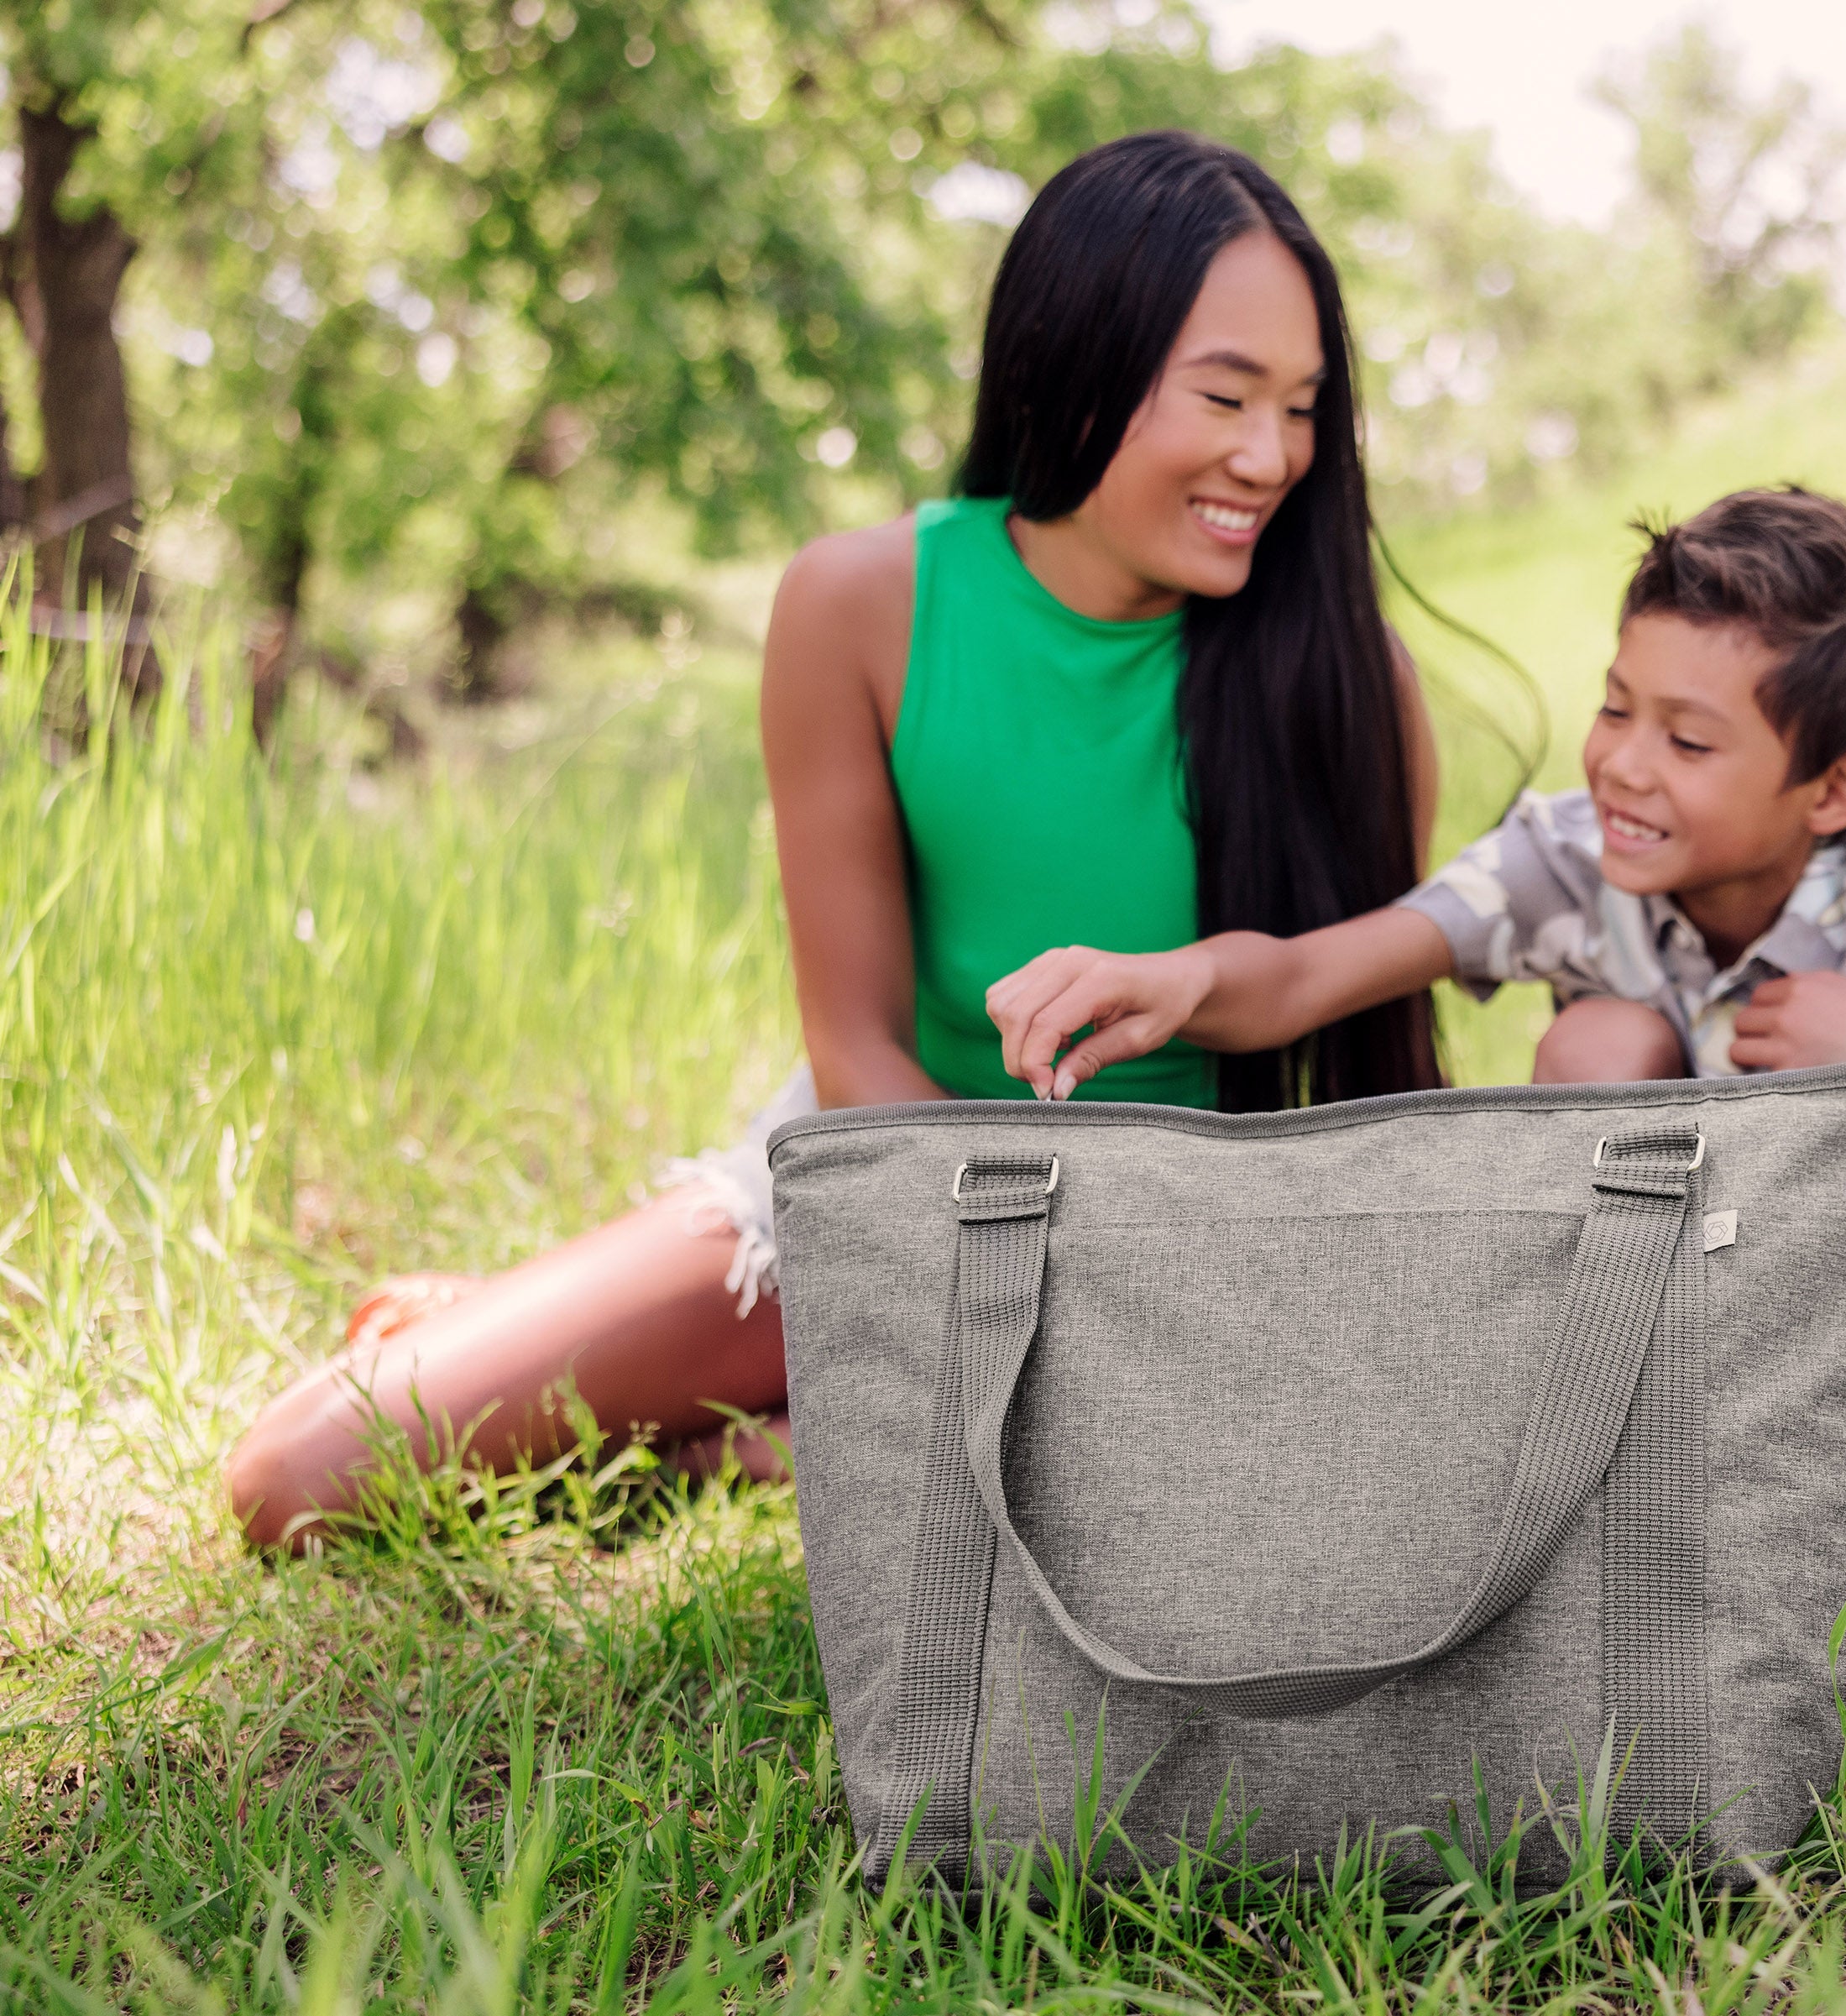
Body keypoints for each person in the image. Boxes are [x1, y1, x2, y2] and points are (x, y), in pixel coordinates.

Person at [223, 131, 1445, 1549]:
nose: (1272, 455)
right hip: (887, 1189)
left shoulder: (1353, 677)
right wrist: (1026, 1285)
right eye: (1226, 396)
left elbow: (1368, 1083)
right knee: (296, 1484)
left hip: (1191, 1270)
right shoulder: (861, 605)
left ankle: (754, 1437)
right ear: (1081, 357)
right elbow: (859, 1053)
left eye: (1301, 408)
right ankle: (695, 1391)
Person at [985, 487, 1846, 1536]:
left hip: (1844, 1331)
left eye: (1688, 740)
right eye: (1615, 708)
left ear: (1837, 786)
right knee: (1604, 1039)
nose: (1624, 767)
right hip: (1665, 1315)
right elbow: (1310, 973)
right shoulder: (1564, 857)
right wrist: (1180, 977)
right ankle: (1608, 1416)